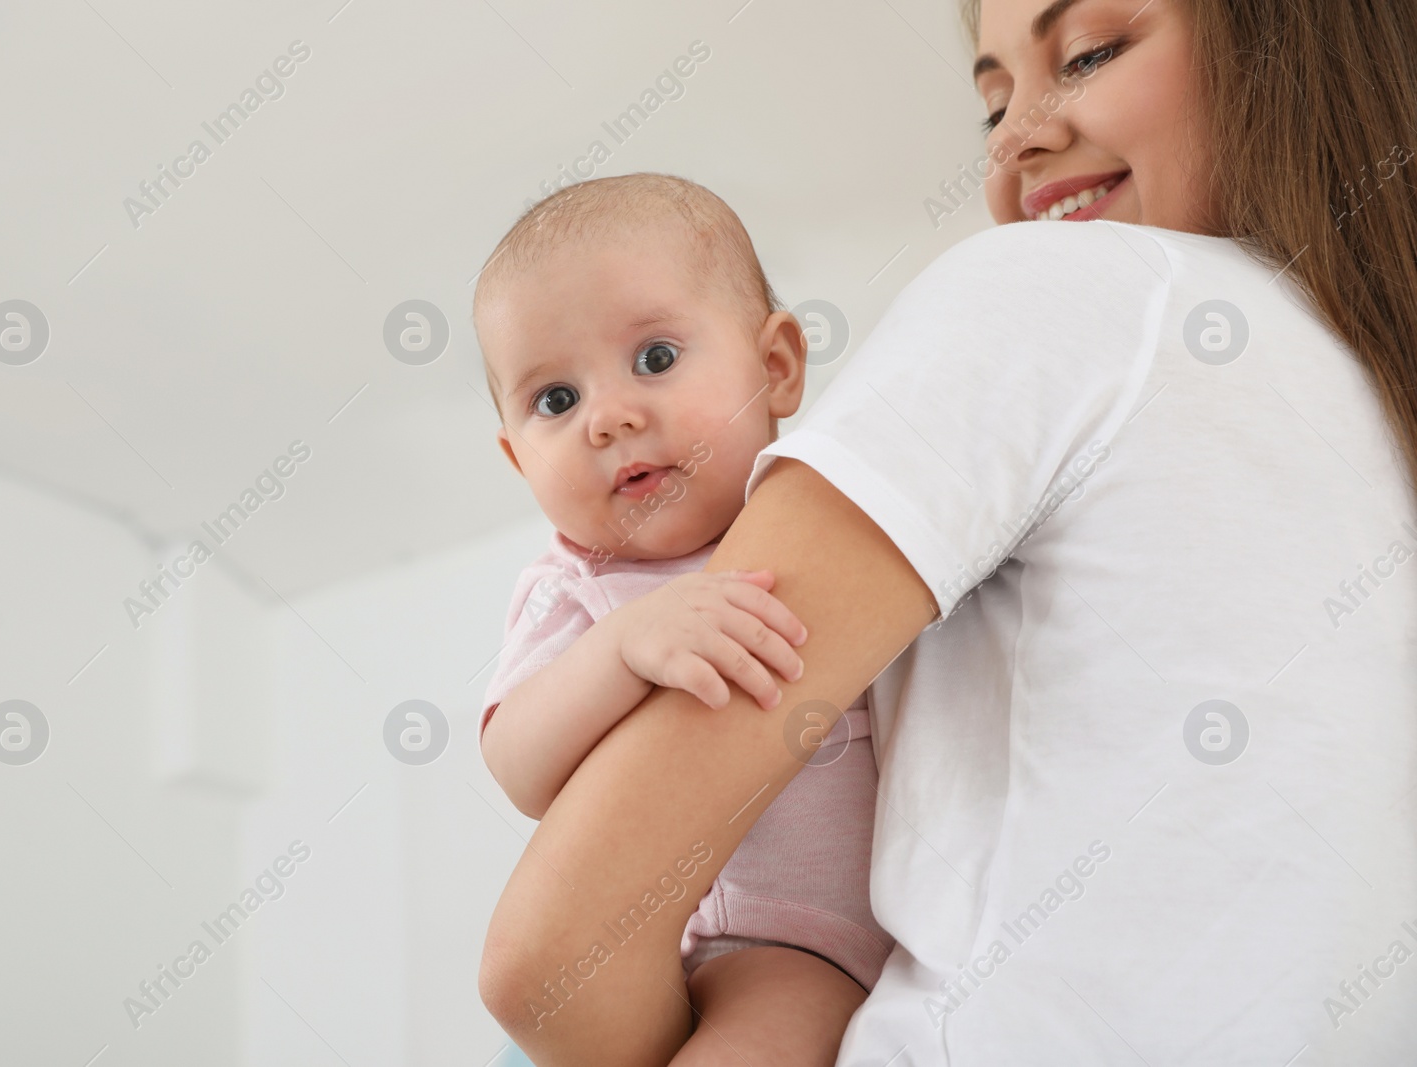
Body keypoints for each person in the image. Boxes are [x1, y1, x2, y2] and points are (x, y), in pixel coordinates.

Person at [478, 0, 1417, 1063]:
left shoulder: (1054, 292)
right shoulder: (1374, 419)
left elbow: (544, 963)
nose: (1016, 133)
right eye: (992, 102)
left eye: (1090, 53)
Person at [474, 172, 894, 1065]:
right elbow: (516, 762)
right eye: (556, 400)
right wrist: (624, 648)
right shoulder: (582, 585)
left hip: (916, 908)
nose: (609, 417)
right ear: (517, 459)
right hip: (768, 939)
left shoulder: (841, 510)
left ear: (775, 365)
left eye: (655, 359)